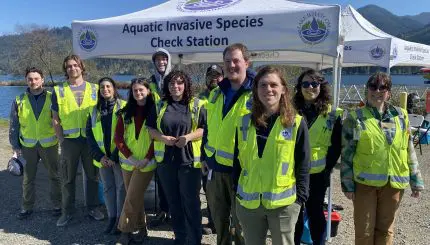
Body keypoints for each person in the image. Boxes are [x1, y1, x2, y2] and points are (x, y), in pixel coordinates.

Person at [341, 72, 424, 245]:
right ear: (366, 90)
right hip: (365, 184)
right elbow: (347, 153)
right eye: (373, 86)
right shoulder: (355, 118)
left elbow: (408, 149)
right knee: (364, 231)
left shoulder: (401, 116)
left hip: (393, 184)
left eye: (383, 87)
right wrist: (347, 184)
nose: (377, 91)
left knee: (386, 231)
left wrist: (416, 181)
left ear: (389, 92)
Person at [232, 65, 310, 245]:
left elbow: (303, 164)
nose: (268, 89)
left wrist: (299, 201)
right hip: (248, 204)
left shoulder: (295, 123)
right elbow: (237, 160)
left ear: (283, 89)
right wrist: (236, 189)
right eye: (263, 85)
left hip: (283, 206)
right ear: (256, 90)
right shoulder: (244, 121)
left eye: (274, 85)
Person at [202, 43, 254, 245]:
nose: (231, 65)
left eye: (236, 61)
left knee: (242, 223)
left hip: (242, 171)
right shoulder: (216, 93)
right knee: (219, 220)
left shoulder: (257, 94)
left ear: (246, 63)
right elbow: (209, 128)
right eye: (227, 61)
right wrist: (205, 158)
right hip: (215, 170)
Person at [147, 70, 206, 245]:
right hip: (166, 163)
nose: (175, 86)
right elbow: (150, 129)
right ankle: (180, 238)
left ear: (186, 85)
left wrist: (187, 138)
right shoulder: (160, 105)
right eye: (172, 83)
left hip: (189, 162)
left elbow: (204, 128)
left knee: (191, 203)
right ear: (167, 86)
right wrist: (163, 138)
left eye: (179, 83)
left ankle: (194, 239)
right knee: (174, 203)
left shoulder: (197, 104)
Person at [52, 55, 104, 227]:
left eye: (75, 65)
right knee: (67, 178)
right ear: (65, 70)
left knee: (92, 176)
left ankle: (93, 208)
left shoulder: (96, 89)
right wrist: (61, 140)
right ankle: (67, 212)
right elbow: (55, 119)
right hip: (69, 142)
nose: (72, 68)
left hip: (91, 141)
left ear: (82, 67)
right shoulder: (59, 90)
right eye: (68, 66)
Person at [293, 69, 343, 245]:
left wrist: (327, 169)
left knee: (315, 214)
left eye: (314, 84)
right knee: (295, 215)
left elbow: (336, 146)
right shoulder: (290, 111)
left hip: (318, 174)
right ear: (299, 88)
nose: (310, 87)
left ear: (322, 86)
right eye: (305, 84)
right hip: (293, 173)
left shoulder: (332, 114)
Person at [9, 67, 61, 220]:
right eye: (30, 79)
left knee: (55, 176)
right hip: (28, 146)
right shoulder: (19, 99)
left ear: (42, 80)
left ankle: (57, 205)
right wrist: (15, 145)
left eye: (36, 78)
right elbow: (14, 124)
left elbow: (59, 120)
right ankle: (26, 207)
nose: (33, 82)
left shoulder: (53, 97)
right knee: (28, 178)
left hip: (49, 145)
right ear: (26, 81)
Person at [114, 78, 156, 245]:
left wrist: (146, 159)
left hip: (146, 164)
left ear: (148, 91)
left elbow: (156, 139)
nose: (138, 93)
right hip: (128, 163)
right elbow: (118, 138)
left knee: (131, 198)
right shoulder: (125, 113)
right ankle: (141, 227)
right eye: (135, 90)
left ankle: (124, 231)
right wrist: (131, 158)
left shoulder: (155, 111)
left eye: (141, 90)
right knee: (135, 197)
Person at [86, 77, 126, 234]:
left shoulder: (124, 107)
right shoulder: (94, 110)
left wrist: (114, 156)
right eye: (102, 87)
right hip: (102, 159)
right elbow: (89, 135)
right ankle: (111, 217)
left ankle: (120, 220)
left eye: (108, 86)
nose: (105, 89)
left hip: (119, 157)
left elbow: (127, 134)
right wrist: (100, 156)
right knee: (108, 188)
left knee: (121, 188)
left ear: (114, 88)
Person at [198, 64, 224, 235]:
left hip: (223, 152)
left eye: (217, 75)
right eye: (210, 75)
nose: (213, 78)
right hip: (204, 149)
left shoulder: (227, 95)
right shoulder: (199, 98)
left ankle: (224, 224)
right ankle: (213, 222)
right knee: (209, 190)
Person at [149, 48, 172, 226]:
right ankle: (163, 210)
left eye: (164, 59)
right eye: (157, 60)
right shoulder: (150, 82)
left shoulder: (176, 79)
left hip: (175, 130)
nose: (161, 62)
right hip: (157, 133)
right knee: (162, 177)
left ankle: (175, 211)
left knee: (176, 178)